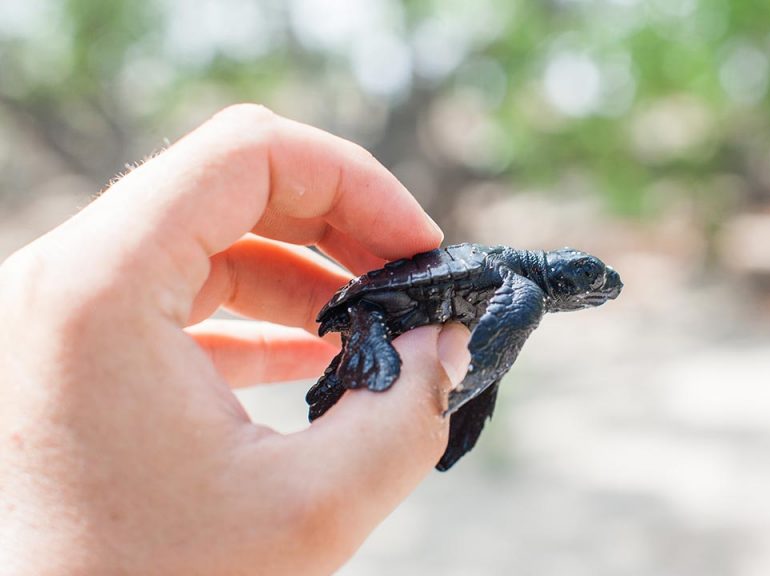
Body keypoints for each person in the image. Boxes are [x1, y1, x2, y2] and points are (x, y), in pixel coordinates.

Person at [0, 104, 472, 575]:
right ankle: (357, 366)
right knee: (369, 359)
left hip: (388, 304)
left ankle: (354, 364)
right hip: (376, 305)